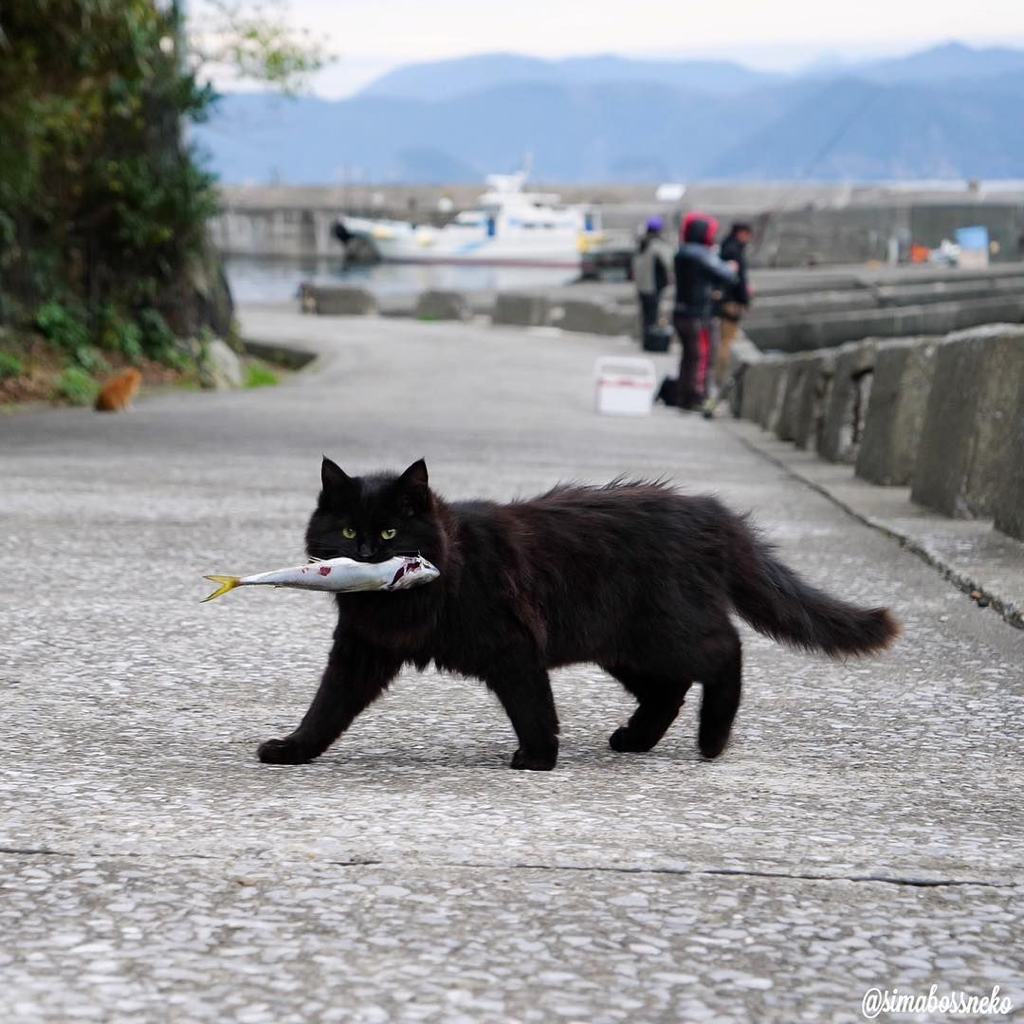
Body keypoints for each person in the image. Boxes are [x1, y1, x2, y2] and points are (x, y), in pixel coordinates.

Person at [671, 212, 737, 411]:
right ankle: (696, 397)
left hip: (682, 313)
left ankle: (684, 396)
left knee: (689, 356)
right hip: (696, 315)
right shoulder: (699, 254)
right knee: (700, 356)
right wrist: (731, 267)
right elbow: (726, 275)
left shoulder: (682, 252)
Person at [714, 222, 753, 397]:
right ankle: (721, 379)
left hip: (725, 300)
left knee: (725, 340)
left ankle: (720, 377)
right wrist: (744, 299)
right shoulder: (733, 251)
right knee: (728, 342)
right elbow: (737, 280)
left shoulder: (726, 248)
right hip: (731, 303)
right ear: (741, 233)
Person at [631, 216, 673, 340]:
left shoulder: (640, 243)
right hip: (653, 286)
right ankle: (651, 339)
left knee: (645, 314)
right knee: (652, 315)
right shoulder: (657, 244)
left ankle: (646, 337)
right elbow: (669, 261)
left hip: (641, 286)